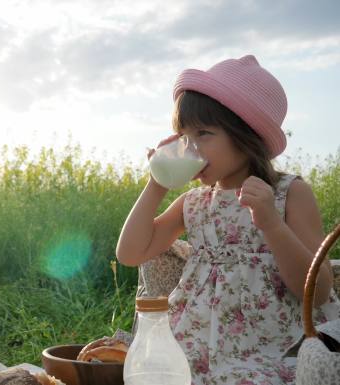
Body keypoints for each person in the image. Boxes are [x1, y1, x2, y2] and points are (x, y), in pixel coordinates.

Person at [115, 55, 340, 384]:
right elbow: (130, 254)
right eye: (183, 136)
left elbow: (317, 291)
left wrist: (272, 225)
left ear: (247, 137)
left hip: (271, 345)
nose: (191, 146)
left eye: (204, 133)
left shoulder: (287, 193)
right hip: (193, 343)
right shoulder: (193, 203)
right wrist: (156, 184)